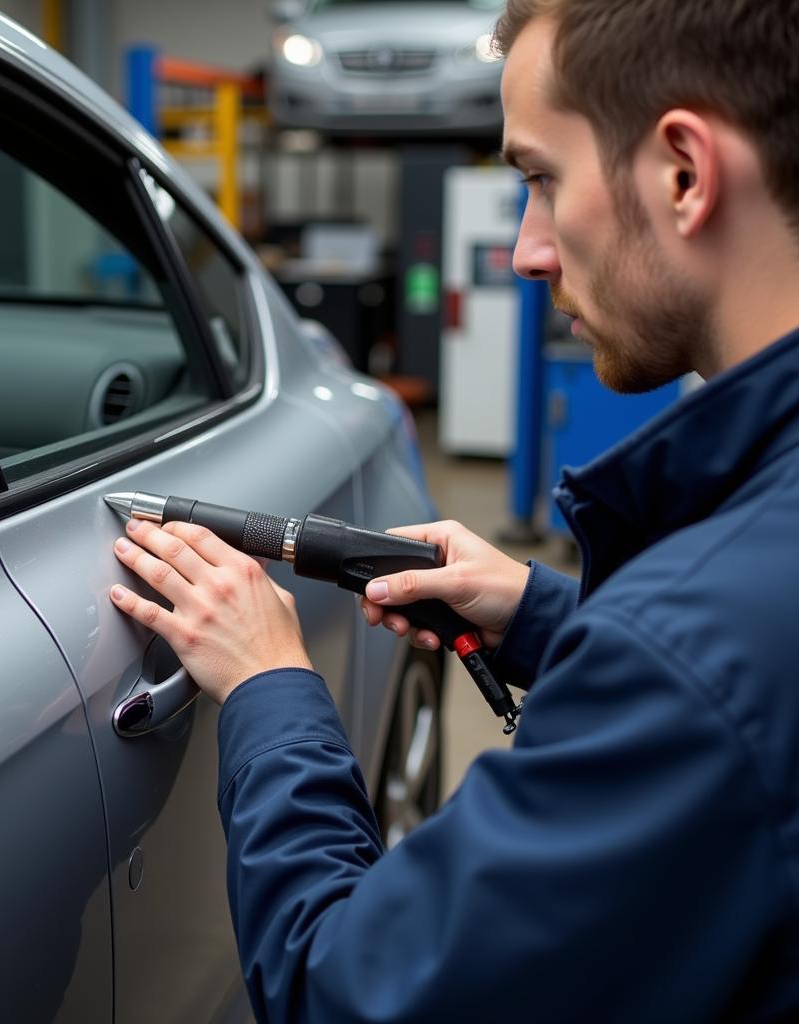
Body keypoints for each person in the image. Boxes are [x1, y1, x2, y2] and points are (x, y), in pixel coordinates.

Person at [109, 0, 799, 1018]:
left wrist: (271, 688)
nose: (525, 251)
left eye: (539, 181)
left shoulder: (691, 645)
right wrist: (545, 615)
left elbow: (341, 990)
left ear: (683, 174)